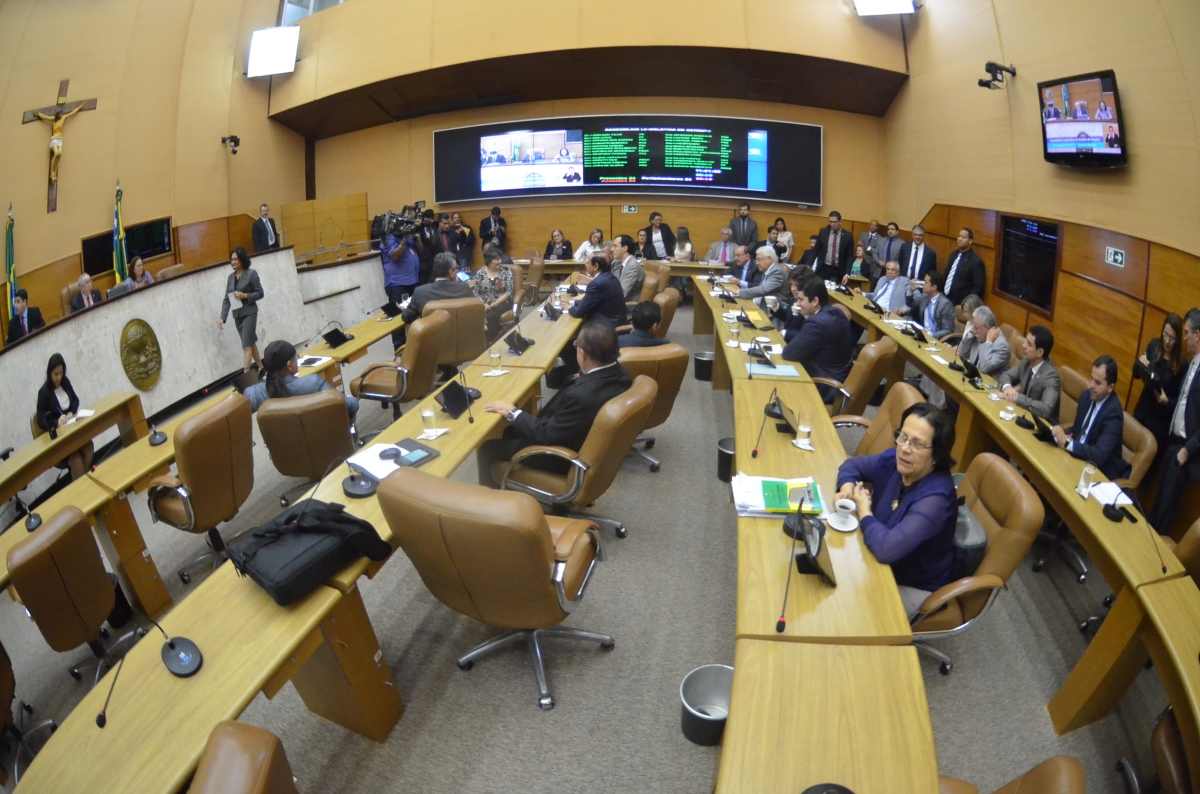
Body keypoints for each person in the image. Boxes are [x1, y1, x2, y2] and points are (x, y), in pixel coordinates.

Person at [836, 403, 959, 617]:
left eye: (917, 444)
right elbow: (852, 466)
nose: (904, 448)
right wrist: (846, 490)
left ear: (937, 455)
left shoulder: (936, 500)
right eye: (902, 436)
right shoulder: (898, 459)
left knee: (845, 609)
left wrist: (864, 511)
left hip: (910, 582)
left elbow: (887, 550)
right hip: (878, 555)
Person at [477, 322, 632, 486]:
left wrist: (512, 412)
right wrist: (584, 375)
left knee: (487, 448)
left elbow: (547, 434)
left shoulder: (581, 396)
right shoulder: (622, 374)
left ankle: (490, 497)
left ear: (582, 355)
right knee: (510, 430)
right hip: (582, 437)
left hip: (560, 455)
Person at [1149, 309, 1200, 535]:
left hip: (1186, 450)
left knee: (1165, 510)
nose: (1184, 338)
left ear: (1197, 335)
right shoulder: (1194, 364)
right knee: (1159, 501)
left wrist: (1188, 450)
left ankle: (1151, 553)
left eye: (1187, 332)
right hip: (1174, 443)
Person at [1048, 356, 1130, 480]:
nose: (1091, 385)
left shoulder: (1114, 415)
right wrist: (1056, 432)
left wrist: (1067, 442)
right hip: (1076, 459)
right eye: (1092, 379)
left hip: (1096, 473)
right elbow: (1077, 431)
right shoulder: (1086, 396)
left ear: (1110, 388)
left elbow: (1099, 455)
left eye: (1098, 383)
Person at [783, 276, 854, 400]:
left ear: (815, 301)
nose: (797, 304)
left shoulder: (816, 323)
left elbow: (788, 354)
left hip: (823, 386)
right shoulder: (837, 312)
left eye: (801, 299)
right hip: (839, 378)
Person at [245, 340, 358, 418]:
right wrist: (351, 398)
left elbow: (247, 394)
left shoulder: (256, 393)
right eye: (295, 359)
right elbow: (349, 408)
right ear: (289, 366)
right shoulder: (314, 383)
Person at [1133, 313, 1185, 460]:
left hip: (1158, 425)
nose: (1167, 341)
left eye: (1172, 338)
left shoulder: (1181, 364)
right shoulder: (1154, 345)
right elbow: (1136, 373)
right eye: (1165, 335)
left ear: (1178, 340)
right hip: (1141, 415)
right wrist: (1141, 363)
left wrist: (1167, 402)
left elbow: (1180, 402)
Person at [36, 353, 94, 480]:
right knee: (76, 459)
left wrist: (70, 412)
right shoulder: (44, 392)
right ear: (49, 373)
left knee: (89, 447)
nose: (58, 377)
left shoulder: (65, 382)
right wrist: (56, 422)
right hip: (59, 440)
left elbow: (75, 400)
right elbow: (40, 420)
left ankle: (81, 481)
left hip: (72, 431)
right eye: (55, 374)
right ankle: (83, 486)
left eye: (60, 373)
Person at [998, 325, 1061, 423]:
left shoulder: (1051, 376)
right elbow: (1006, 375)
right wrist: (1008, 388)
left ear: (1040, 352)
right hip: (1021, 414)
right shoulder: (1026, 362)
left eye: (1029, 344)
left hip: (1040, 424)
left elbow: (1045, 409)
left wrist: (1017, 398)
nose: (1024, 346)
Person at [218, 247, 265, 373]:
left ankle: (246, 376)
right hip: (237, 315)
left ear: (242, 259)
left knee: (246, 346)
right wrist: (222, 317)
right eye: (231, 260)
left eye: (235, 259)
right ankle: (262, 368)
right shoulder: (230, 277)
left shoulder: (251, 274)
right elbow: (227, 299)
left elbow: (260, 293)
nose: (233, 262)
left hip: (249, 313)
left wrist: (245, 296)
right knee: (250, 343)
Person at [403, 252, 476, 327]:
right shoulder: (464, 288)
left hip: (433, 334)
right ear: (451, 273)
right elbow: (475, 310)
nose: (457, 271)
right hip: (460, 333)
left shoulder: (420, 292)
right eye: (456, 269)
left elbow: (406, 317)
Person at [381, 224, 421, 348]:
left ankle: (414, 343)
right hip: (397, 284)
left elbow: (421, 250)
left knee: (414, 314)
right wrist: (404, 239)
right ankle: (399, 347)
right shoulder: (389, 238)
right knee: (398, 316)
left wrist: (416, 238)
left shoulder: (409, 237)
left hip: (412, 281)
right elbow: (395, 256)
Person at [569, 254, 627, 327]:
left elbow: (579, 313)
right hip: (616, 322)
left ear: (596, 266)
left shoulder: (596, 284)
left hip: (606, 327)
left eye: (588, 262)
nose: (586, 265)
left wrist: (569, 308)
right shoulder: (612, 277)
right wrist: (572, 302)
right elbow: (589, 302)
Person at [472, 248, 516, 344]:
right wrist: (483, 304)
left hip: (503, 302)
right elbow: (476, 292)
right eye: (496, 259)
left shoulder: (506, 271)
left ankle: (492, 341)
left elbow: (509, 292)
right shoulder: (480, 273)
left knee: (491, 315)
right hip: (486, 303)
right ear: (489, 261)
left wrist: (496, 303)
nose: (499, 261)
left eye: (499, 258)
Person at [955, 305, 1010, 377]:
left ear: (987, 327)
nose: (974, 331)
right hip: (973, 377)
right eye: (973, 326)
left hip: (989, 382)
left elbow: (984, 368)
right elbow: (962, 353)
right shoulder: (979, 334)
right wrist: (971, 333)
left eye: (976, 328)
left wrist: (988, 342)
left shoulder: (1001, 345)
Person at [897, 272, 955, 338]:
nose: (923, 284)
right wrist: (910, 291)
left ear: (934, 287)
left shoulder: (945, 304)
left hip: (936, 338)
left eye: (926, 282)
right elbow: (910, 304)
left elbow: (948, 330)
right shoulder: (925, 296)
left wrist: (930, 335)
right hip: (922, 334)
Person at [942, 228, 986, 306]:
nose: (960, 239)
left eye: (963, 237)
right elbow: (946, 274)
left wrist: (966, 304)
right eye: (959, 236)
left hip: (959, 303)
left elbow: (978, 288)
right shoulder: (954, 254)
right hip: (944, 297)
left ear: (970, 241)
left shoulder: (976, 261)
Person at [813, 211, 853, 282]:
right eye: (830, 222)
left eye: (834, 222)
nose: (832, 224)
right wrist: (809, 265)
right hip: (824, 268)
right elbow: (816, 250)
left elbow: (849, 256)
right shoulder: (823, 232)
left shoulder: (848, 236)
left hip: (839, 270)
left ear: (840, 221)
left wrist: (847, 273)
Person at [899, 224, 937, 301]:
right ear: (912, 235)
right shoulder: (904, 247)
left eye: (920, 235)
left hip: (920, 288)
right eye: (915, 235)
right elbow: (900, 263)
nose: (918, 237)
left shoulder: (930, 253)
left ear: (924, 236)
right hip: (903, 283)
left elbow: (932, 272)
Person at [613, 234, 644, 301]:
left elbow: (622, 293)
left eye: (615, 246)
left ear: (625, 248)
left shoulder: (632, 266)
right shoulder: (618, 262)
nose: (612, 249)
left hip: (626, 303)